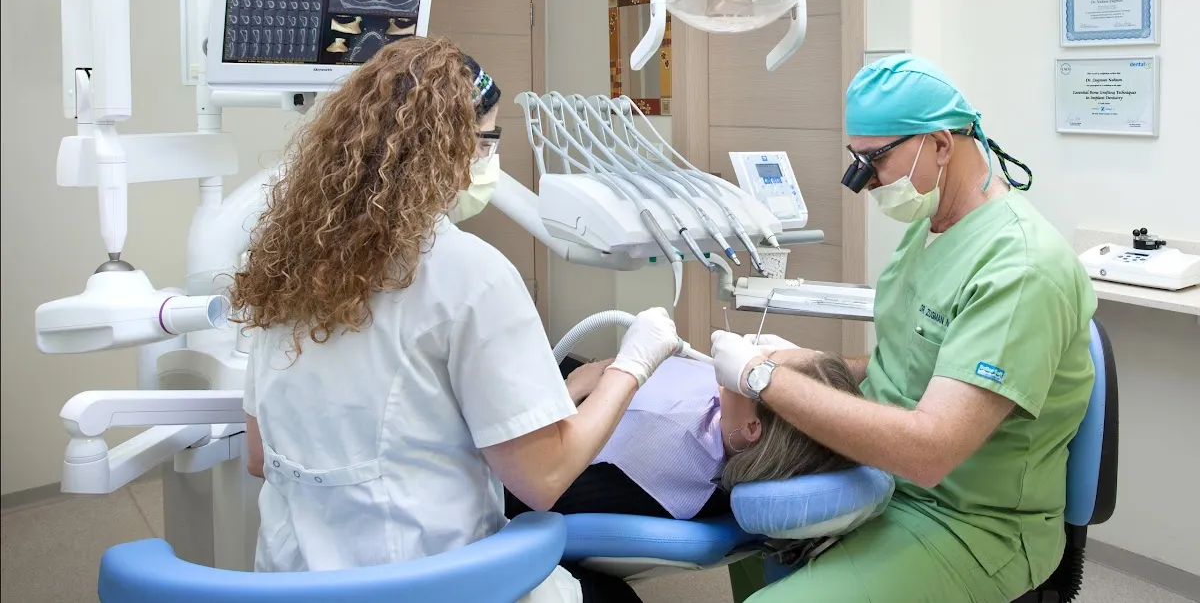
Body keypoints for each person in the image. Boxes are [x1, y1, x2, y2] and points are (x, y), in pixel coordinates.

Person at [232, 37, 683, 603]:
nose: (489, 160)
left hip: (294, 585)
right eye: (488, 141)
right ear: (452, 147)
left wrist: (562, 395)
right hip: (429, 584)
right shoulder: (472, 273)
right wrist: (633, 366)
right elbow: (544, 479)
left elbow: (261, 455)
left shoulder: (289, 265)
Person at [710, 54, 1097, 603]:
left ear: (940, 145)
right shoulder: (932, 225)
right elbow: (912, 359)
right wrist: (814, 364)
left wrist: (763, 379)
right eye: (856, 159)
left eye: (876, 160)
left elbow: (930, 451)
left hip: (967, 521)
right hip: (881, 476)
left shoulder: (1021, 268)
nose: (863, 181)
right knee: (740, 522)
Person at [505, 353, 862, 525]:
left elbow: (528, 487)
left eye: (757, 368)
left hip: (537, 432)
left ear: (753, 428)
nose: (746, 357)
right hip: (575, 388)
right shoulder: (734, 409)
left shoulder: (661, 474)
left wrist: (569, 392)